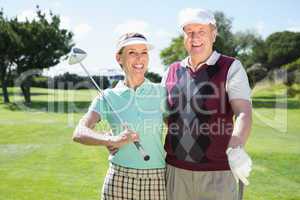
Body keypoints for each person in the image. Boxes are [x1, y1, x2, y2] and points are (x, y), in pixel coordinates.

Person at [162, 8, 253, 200]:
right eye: (189, 32)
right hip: (175, 171)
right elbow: (165, 116)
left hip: (218, 173)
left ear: (214, 34)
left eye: (201, 31)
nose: (195, 37)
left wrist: (236, 145)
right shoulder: (171, 71)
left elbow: (243, 112)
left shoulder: (231, 67)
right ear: (184, 37)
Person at [73, 32, 166, 200]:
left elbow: (181, 128)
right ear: (119, 58)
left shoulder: (162, 92)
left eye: (144, 52)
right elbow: (79, 132)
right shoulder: (107, 96)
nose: (139, 59)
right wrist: (111, 140)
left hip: (156, 177)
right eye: (132, 53)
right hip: (119, 178)